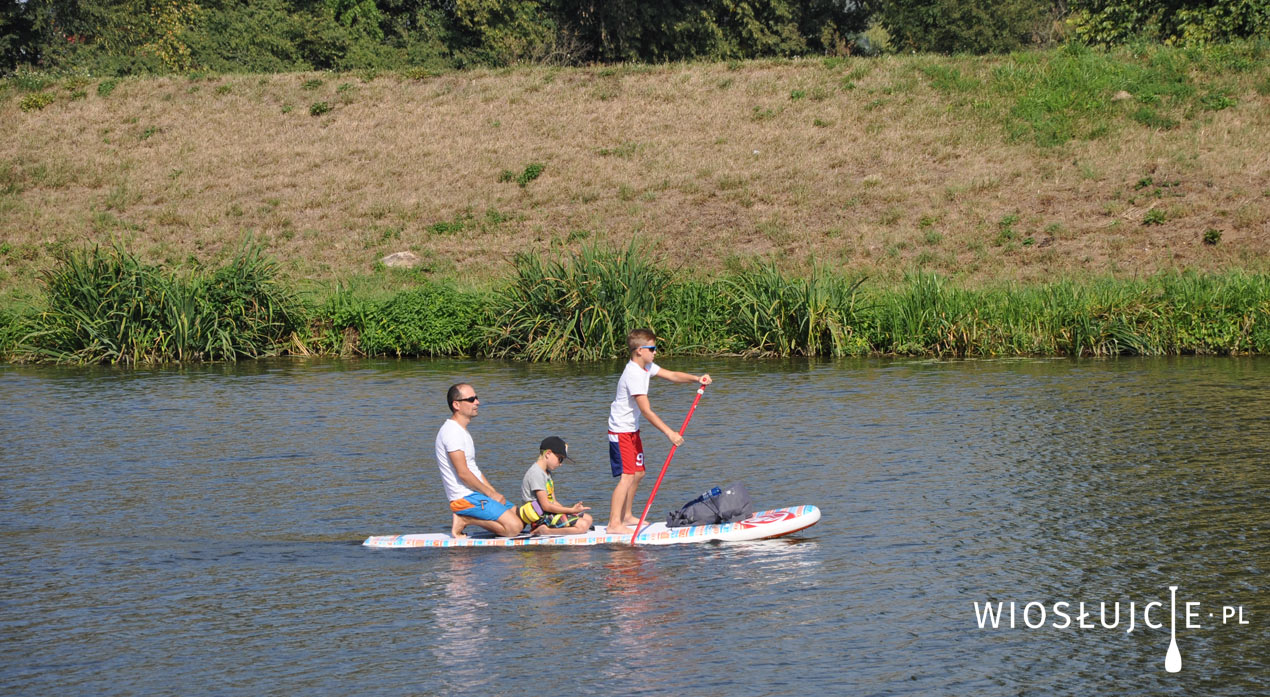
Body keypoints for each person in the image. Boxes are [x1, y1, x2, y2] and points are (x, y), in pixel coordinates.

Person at [605, 329, 712, 535]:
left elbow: (671, 375)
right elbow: (646, 411)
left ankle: (627, 516)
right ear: (638, 351)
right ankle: (613, 524)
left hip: (631, 429)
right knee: (627, 476)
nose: (655, 352)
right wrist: (670, 433)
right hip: (620, 431)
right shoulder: (633, 374)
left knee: (639, 473)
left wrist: (696, 378)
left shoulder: (646, 367)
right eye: (652, 349)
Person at [435, 383, 524, 538]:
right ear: (456, 405)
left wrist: (494, 494)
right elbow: (463, 473)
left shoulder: (461, 431)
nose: (477, 402)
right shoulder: (452, 433)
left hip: (475, 495)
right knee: (514, 528)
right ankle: (465, 518)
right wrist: (490, 494)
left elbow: (474, 470)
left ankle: (473, 517)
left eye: (476, 397)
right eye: (471, 399)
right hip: (463, 498)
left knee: (520, 518)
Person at [517, 436, 593, 536]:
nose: (561, 464)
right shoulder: (536, 474)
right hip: (541, 517)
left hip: (549, 513)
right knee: (582, 525)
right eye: (560, 459)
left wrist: (569, 512)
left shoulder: (547, 473)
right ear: (548, 454)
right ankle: (543, 530)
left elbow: (553, 501)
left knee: (588, 519)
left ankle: (553, 528)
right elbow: (546, 506)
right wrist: (571, 510)